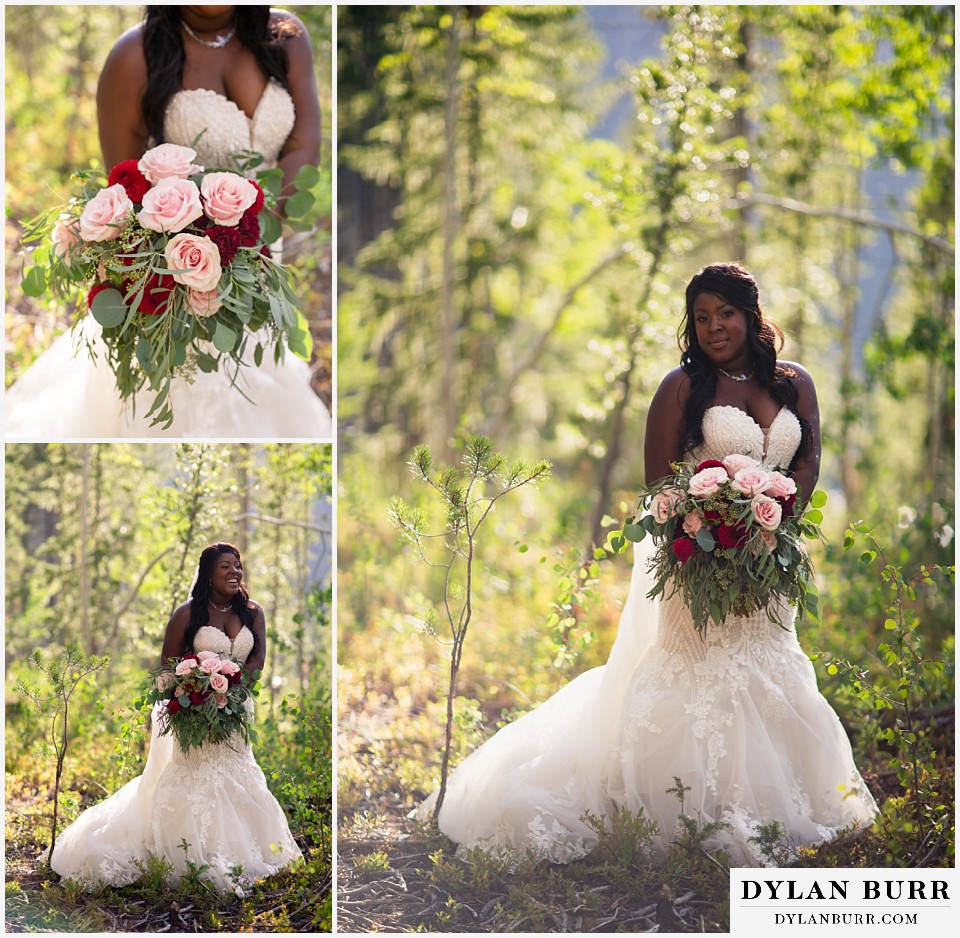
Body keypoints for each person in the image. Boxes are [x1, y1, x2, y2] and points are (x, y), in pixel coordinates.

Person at [422, 262, 879, 865]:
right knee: (701, 677)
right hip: (701, 565)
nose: (714, 327)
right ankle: (686, 812)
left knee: (771, 671)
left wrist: (771, 520)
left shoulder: (795, 382)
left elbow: (808, 464)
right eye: (702, 317)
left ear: (751, 315)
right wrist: (717, 529)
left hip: (770, 562)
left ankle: (781, 805)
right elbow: (659, 485)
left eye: (726, 314)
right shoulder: (683, 387)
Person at [5, 6, 331, 439]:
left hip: (261, 259)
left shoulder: (286, 36)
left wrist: (253, 226)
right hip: (177, 278)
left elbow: (303, 141)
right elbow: (125, 191)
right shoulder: (133, 57)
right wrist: (199, 249)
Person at [47, 542, 302, 893]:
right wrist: (198, 692)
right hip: (194, 712)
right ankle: (187, 853)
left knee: (237, 772)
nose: (235, 572)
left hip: (238, 708)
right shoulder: (186, 615)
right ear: (208, 573)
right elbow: (166, 671)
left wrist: (233, 689)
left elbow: (257, 660)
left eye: (238, 566)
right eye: (226, 566)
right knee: (196, 778)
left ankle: (246, 850)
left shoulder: (252, 611)